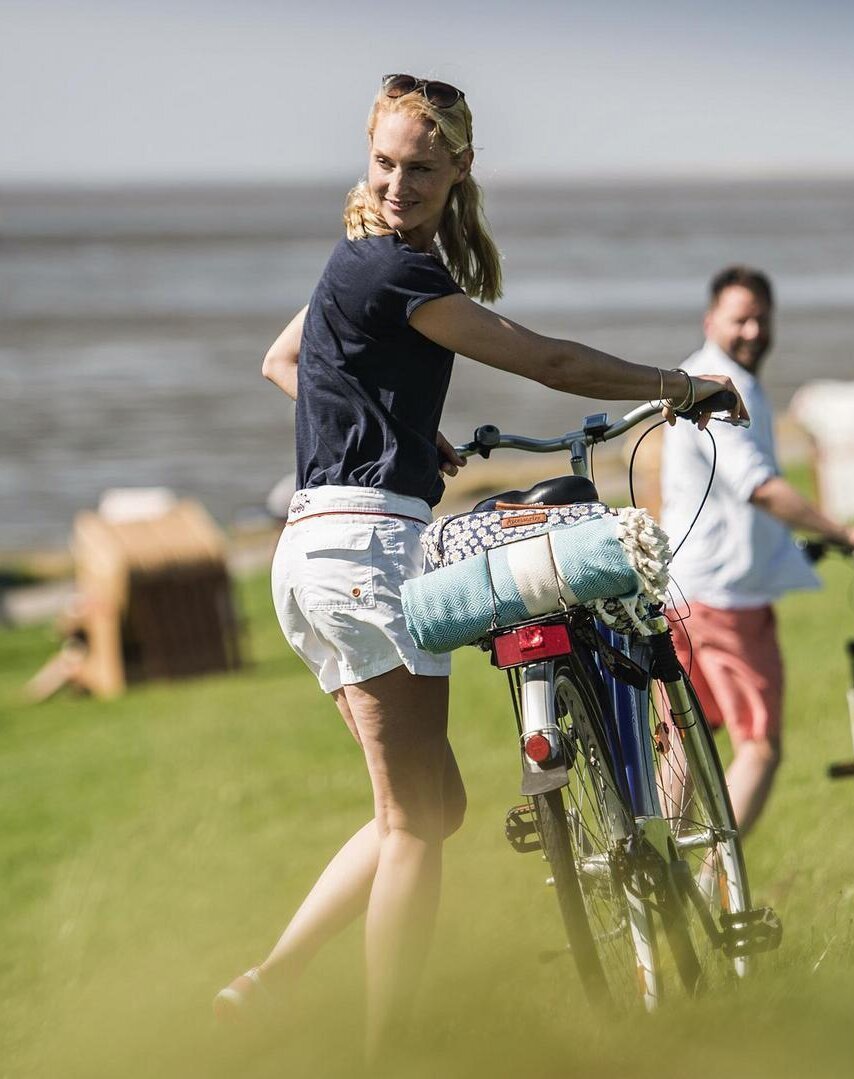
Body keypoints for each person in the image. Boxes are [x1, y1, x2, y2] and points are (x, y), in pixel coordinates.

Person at [212, 74, 748, 1061]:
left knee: (429, 806)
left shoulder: (358, 264)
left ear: (460, 167)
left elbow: (285, 361)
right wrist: (680, 387)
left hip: (309, 554)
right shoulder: (391, 270)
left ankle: (269, 981)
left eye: (420, 167)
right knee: (414, 824)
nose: (398, 184)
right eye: (384, 163)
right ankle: (389, 1053)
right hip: (368, 553)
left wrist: (400, 430)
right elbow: (548, 361)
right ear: (368, 156)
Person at [661, 266, 854, 836]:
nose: (752, 330)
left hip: (682, 589)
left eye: (761, 319)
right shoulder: (715, 388)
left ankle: (656, 870)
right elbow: (758, 487)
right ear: (711, 321)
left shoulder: (707, 379)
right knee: (759, 746)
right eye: (740, 319)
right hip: (725, 597)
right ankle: (716, 874)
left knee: (685, 741)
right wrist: (843, 534)